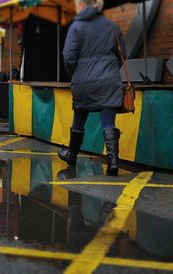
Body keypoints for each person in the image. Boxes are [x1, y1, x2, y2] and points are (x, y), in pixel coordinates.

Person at [57, 0, 127, 176]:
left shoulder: (77, 27)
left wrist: (77, 73)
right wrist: (110, 69)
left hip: (84, 81)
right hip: (109, 81)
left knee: (79, 119)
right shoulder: (113, 26)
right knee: (109, 122)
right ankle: (113, 162)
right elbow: (123, 54)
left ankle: (72, 155)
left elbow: (68, 57)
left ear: (81, 5)